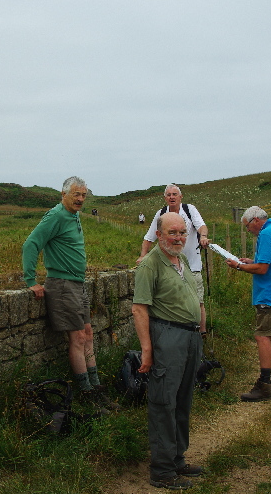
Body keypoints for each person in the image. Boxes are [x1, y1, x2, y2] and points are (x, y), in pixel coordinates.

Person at [22, 176, 117, 410]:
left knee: (88, 334)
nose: (81, 199)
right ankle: (87, 394)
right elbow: (31, 244)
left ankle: (96, 388)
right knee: (78, 339)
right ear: (63, 194)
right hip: (63, 285)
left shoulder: (73, 215)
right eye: (76, 194)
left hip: (77, 284)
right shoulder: (56, 215)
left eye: (84, 195)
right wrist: (31, 280)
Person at [132, 212, 206, 490]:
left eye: (182, 233)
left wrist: (201, 333)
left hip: (190, 337)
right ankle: (161, 471)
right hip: (167, 338)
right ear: (159, 235)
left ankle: (177, 458)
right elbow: (139, 309)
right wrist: (147, 350)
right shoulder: (150, 265)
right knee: (164, 403)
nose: (177, 238)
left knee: (183, 400)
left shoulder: (183, 260)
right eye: (171, 233)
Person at [226, 205, 271, 402]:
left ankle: (264, 384)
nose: (247, 230)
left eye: (247, 226)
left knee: (262, 336)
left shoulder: (266, 235)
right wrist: (252, 260)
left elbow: (263, 270)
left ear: (256, 220)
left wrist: (239, 266)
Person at [138, 184, 210, 332]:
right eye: (169, 195)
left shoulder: (190, 210)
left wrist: (203, 236)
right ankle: (180, 332)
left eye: (174, 194)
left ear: (180, 197)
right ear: (165, 198)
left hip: (193, 265)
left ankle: (201, 334)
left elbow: (202, 226)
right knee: (175, 302)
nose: (172, 197)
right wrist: (142, 256)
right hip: (169, 267)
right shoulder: (161, 214)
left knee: (198, 302)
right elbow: (149, 237)